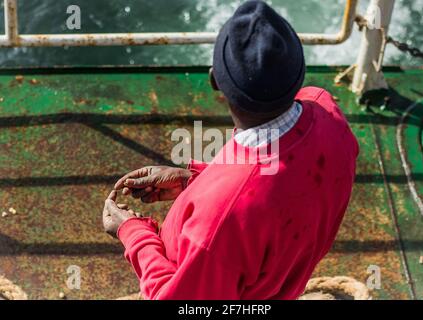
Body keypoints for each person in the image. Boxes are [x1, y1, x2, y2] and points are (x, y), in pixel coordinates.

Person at [102, 0, 358, 300]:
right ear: (298, 72)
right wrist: (194, 182)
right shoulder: (327, 110)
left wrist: (133, 233)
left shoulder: (219, 222)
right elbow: (277, 184)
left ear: (215, 80)